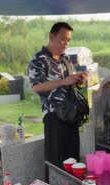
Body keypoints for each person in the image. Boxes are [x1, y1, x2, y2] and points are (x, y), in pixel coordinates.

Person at [28, 22, 88, 168]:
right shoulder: (39, 60)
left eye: (68, 40)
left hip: (71, 115)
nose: (66, 43)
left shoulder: (66, 59)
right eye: (63, 39)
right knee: (55, 161)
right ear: (51, 36)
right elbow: (36, 87)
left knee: (73, 160)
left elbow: (70, 82)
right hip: (54, 117)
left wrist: (79, 79)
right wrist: (63, 81)